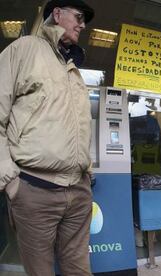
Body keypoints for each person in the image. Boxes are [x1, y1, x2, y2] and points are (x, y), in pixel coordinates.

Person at [0, 0, 95, 275]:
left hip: (78, 192)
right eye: (78, 17)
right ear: (57, 13)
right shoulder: (24, 49)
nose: (82, 24)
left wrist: (86, 173)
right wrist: (10, 180)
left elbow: (77, 127)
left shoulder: (72, 67)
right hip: (33, 190)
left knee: (79, 270)